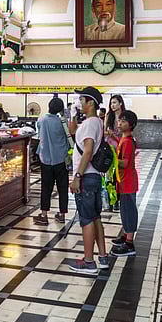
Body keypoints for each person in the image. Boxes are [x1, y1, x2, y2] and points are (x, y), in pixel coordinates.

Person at [67, 86, 109, 275]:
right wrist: (72, 115)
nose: (79, 103)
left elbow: (89, 150)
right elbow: (73, 132)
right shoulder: (93, 122)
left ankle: (89, 261)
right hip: (92, 177)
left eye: (82, 100)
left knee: (86, 220)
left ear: (90, 102)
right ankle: (102, 257)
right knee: (95, 217)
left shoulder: (92, 123)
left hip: (86, 177)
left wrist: (77, 177)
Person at [34, 97, 70, 226]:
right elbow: (68, 135)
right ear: (61, 109)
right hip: (61, 159)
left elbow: (39, 135)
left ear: (49, 106)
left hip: (46, 159)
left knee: (46, 187)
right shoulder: (63, 121)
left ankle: (43, 215)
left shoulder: (41, 120)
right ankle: (62, 214)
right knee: (63, 187)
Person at [111, 110, 139, 257]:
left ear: (131, 125)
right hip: (124, 182)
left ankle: (129, 243)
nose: (119, 123)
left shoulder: (128, 142)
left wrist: (112, 159)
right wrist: (113, 139)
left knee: (128, 212)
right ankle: (126, 235)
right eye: (119, 120)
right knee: (125, 210)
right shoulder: (124, 139)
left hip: (128, 182)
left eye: (123, 121)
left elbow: (124, 163)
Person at [103, 94, 127, 212]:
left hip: (122, 148)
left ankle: (119, 198)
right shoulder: (109, 116)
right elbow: (104, 131)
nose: (112, 105)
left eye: (115, 103)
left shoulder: (125, 117)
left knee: (120, 175)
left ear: (121, 103)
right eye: (111, 103)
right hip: (110, 149)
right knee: (109, 176)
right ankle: (111, 201)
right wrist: (109, 134)